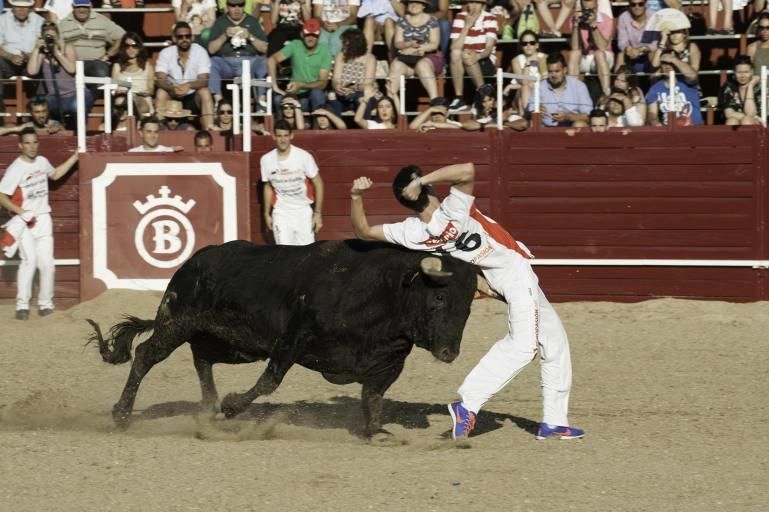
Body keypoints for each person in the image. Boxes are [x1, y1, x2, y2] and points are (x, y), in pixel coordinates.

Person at [349, 163, 584, 441]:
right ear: (428, 190)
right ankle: (468, 404)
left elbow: (363, 231)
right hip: (515, 275)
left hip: (498, 278)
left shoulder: (412, 232)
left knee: (554, 341)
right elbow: (467, 170)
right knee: (523, 346)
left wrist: (355, 196)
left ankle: (555, 423)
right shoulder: (453, 209)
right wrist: (422, 179)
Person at [0, 127, 79, 320]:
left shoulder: (42, 162)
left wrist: (75, 157)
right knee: (29, 262)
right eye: (27, 143)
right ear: (20, 146)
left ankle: (45, 304)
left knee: (47, 264)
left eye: (35, 142)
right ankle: (22, 305)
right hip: (25, 221)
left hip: (44, 218)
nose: (32, 147)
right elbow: (1, 196)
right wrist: (21, 212)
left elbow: (55, 174)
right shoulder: (15, 168)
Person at [260, 119, 324, 245]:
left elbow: (318, 183)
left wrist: (317, 213)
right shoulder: (266, 160)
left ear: (291, 135)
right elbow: (268, 186)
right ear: (273, 136)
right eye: (279, 136)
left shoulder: (303, 156)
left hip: (303, 211)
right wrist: (267, 214)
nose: (282, 140)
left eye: (285, 135)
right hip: (281, 213)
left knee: (307, 253)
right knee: (285, 254)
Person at [26, 21, 94, 130]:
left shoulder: (67, 48)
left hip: (75, 94)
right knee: (42, 105)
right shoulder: (42, 53)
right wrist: (36, 49)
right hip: (55, 97)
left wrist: (57, 52)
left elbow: (72, 69)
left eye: (53, 37)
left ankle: (80, 134)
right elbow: (32, 71)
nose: (50, 39)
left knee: (76, 105)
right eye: (47, 37)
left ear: (58, 36)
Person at [207, 0, 269, 108]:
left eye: (240, 5)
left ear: (244, 6)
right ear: (227, 6)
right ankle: (220, 103)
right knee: (212, 62)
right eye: (233, 5)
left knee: (264, 62)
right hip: (227, 62)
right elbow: (211, 49)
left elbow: (265, 48)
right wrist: (225, 36)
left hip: (250, 61)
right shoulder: (220, 22)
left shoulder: (253, 21)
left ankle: (261, 102)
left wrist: (250, 36)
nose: (236, 9)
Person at [156, 22, 215, 130]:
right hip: (173, 95)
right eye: (180, 37)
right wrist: (172, 88)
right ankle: (161, 130)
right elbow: (160, 80)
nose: (184, 39)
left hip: (192, 96)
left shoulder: (200, 52)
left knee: (205, 92)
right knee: (161, 92)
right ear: (174, 38)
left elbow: (204, 80)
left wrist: (188, 85)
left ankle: (209, 129)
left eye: (187, 36)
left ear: (191, 37)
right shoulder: (166, 53)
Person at [268, 18, 333, 113]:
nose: (310, 38)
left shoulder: (324, 52)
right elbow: (272, 60)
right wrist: (274, 86)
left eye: (314, 35)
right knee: (278, 100)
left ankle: (318, 123)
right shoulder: (295, 45)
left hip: (312, 93)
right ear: (302, 34)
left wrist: (301, 85)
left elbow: (323, 84)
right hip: (295, 93)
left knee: (317, 93)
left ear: (318, 36)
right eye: (308, 35)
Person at [58, 0, 126, 88]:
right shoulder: (63, 24)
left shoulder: (102, 21)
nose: (81, 10)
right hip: (71, 64)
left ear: (90, 6)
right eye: (78, 7)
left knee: (100, 72)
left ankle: (88, 99)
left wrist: (108, 55)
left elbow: (123, 37)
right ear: (72, 7)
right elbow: (57, 45)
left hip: (95, 62)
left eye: (85, 7)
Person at [448, 0, 499, 112]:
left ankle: (483, 96)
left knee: (466, 55)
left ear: (482, 5)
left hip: (484, 59)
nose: (473, 6)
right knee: (457, 53)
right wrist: (466, 26)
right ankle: (459, 97)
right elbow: (454, 47)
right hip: (463, 57)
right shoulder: (460, 17)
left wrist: (478, 56)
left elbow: (489, 48)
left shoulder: (490, 18)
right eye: (471, 2)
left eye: (477, 3)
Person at [388, 0, 443, 102]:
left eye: (417, 2)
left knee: (423, 65)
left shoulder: (432, 20)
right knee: (396, 65)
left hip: (428, 57)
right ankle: (390, 103)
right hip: (407, 58)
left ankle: (436, 102)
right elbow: (398, 43)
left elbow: (434, 44)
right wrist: (408, 44)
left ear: (423, 6)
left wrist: (417, 49)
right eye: (411, 2)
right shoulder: (402, 20)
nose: (413, 5)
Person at [0, 0, 45, 120]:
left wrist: (31, 55)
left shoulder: (38, 21)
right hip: (7, 59)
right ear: (12, 7)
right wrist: (10, 56)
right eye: (18, 7)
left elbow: (43, 44)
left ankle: (40, 109)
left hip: (31, 59)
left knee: (43, 64)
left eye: (25, 7)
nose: (21, 10)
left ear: (30, 8)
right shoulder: (2, 20)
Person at [527, 52, 592, 128]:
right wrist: (536, 112)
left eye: (557, 71)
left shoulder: (578, 86)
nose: (553, 75)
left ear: (565, 70)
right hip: (546, 129)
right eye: (550, 72)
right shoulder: (539, 87)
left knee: (580, 125)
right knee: (532, 123)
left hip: (571, 129)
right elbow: (528, 113)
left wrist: (568, 117)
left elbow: (588, 116)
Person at [567, 0, 614, 96]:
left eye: (591, 10)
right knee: (574, 54)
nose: (588, 14)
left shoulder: (606, 20)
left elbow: (602, 47)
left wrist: (593, 26)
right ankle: (572, 94)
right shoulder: (574, 19)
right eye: (586, 11)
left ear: (597, 7)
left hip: (605, 57)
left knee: (599, 53)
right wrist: (576, 26)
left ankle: (606, 93)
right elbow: (575, 47)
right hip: (585, 57)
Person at [646, 49, 703, 126]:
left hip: (692, 129)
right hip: (668, 130)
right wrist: (655, 123)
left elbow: (692, 76)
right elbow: (652, 113)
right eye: (664, 63)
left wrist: (673, 59)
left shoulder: (687, 82)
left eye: (671, 63)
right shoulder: (655, 88)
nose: (667, 66)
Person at [329, 28, 376, 114]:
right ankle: (336, 126)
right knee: (332, 97)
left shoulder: (369, 58)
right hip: (343, 93)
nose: (343, 46)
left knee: (362, 97)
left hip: (360, 91)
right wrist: (337, 86)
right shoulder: (341, 56)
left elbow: (368, 83)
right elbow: (336, 79)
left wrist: (354, 87)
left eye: (345, 43)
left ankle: (365, 125)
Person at [111, 33, 155, 117]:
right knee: (121, 100)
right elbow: (113, 89)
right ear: (123, 48)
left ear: (139, 47)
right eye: (127, 46)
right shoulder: (117, 67)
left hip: (142, 101)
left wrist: (140, 93)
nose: (131, 49)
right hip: (122, 100)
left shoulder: (147, 67)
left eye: (134, 46)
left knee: (132, 98)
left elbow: (151, 90)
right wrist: (117, 91)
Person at [509, 30, 547, 113]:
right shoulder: (516, 60)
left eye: (532, 43)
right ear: (521, 46)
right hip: (522, 91)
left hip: (542, 90)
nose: (528, 45)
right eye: (525, 43)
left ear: (537, 45)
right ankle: (526, 116)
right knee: (524, 89)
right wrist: (527, 65)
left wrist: (540, 62)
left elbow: (546, 77)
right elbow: (522, 81)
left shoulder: (544, 57)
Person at [615, 0, 657, 73]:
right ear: (629, 5)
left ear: (646, 4)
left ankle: (654, 82)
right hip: (631, 54)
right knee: (621, 55)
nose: (637, 7)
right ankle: (618, 82)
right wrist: (628, 49)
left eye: (640, 4)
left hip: (648, 53)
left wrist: (640, 50)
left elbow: (653, 44)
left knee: (653, 53)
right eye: (633, 4)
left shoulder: (654, 16)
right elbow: (622, 42)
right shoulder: (623, 17)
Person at [717, 55, 761, 126]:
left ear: (752, 72)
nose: (742, 76)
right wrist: (750, 117)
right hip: (738, 121)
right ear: (734, 72)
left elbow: (750, 113)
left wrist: (750, 86)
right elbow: (729, 114)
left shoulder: (758, 87)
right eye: (739, 72)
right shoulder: (729, 88)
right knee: (731, 121)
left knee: (747, 121)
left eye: (746, 72)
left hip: (758, 125)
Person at [747, 13, 769, 77]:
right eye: (761, 28)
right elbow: (748, 71)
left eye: (768, 28)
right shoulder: (752, 47)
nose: (764, 31)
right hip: (757, 85)